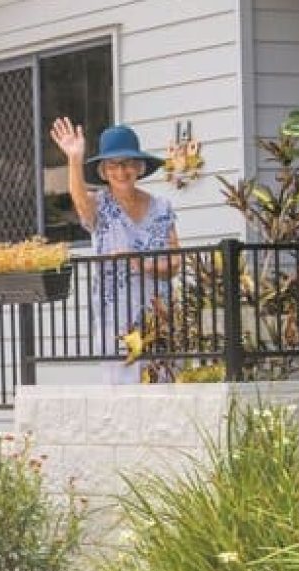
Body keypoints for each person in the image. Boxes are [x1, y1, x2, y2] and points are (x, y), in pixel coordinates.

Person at [50, 117, 180, 384]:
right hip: (116, 320)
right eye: (113, 165)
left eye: (129, 163)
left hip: (160, 314)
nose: (122, 171)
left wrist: (139, 263)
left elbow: (175, 263)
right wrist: (74, 158)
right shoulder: (99, 206)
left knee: (166, 388)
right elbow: (80, 201)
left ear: (140, 167)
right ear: (103, 171)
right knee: (123, 392)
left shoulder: (162, 207)